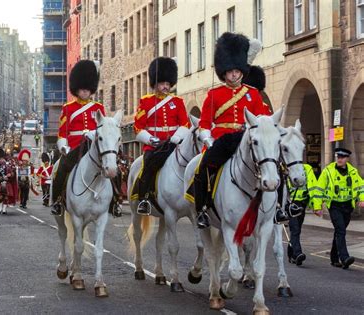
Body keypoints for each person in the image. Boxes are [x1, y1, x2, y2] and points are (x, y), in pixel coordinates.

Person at [192, 32, 272, 229]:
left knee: (272, 165)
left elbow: (263, 120)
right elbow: (204, 123)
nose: (234, 74)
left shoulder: (252, 94)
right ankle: (203, 209)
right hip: (222, 140)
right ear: (224, 73)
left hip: (247, 139)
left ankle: (277, 207)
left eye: (237, 71)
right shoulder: (214, 94)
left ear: (242, 71)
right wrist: (208, 140)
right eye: (230, 71)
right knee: (203, 168)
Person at [134, 57, 190, 215]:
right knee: (148, 165)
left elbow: (185, 124)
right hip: (154, 145)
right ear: (155, 83)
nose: (165, 87)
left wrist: (177, 137)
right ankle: (144, 198)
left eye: (168, 84)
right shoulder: (146, 102)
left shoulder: (177, 101)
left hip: (174, 143)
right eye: (162, 83)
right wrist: (151, 139)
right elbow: (138, 127)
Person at [51, 59, 106, 216]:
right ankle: (57, 201)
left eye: (88, 89)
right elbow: (62, 133)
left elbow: (104, 130)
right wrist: (64, 147)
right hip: (74, 147)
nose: (85, 92)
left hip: (94, 146)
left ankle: (114, 202)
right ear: (77, 89)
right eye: (82, 89)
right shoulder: (68, 109)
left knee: (112, 169)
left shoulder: (98, 108)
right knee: (61, 169)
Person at [316, 147, 364, 269]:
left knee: (339, 232)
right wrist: (317, 206)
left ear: (347, 159)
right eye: (338, 157)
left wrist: (362, 198)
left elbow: (360, 186)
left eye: (342, 157)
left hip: (347, 206)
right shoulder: (328, 171)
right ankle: (344, 257)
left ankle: (333, 257)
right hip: (334, 206)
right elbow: (319, 189)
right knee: (341, 230)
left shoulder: (353, 171)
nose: (340, 159)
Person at [287, 163, 321, 266]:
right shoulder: (286, 169)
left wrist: (316, 205)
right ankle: (298, 254)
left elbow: (313, 188)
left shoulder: (307, 168)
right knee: (295, 228)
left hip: (302, 203)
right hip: (290, 203)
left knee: (297, 230)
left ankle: (291, 253)